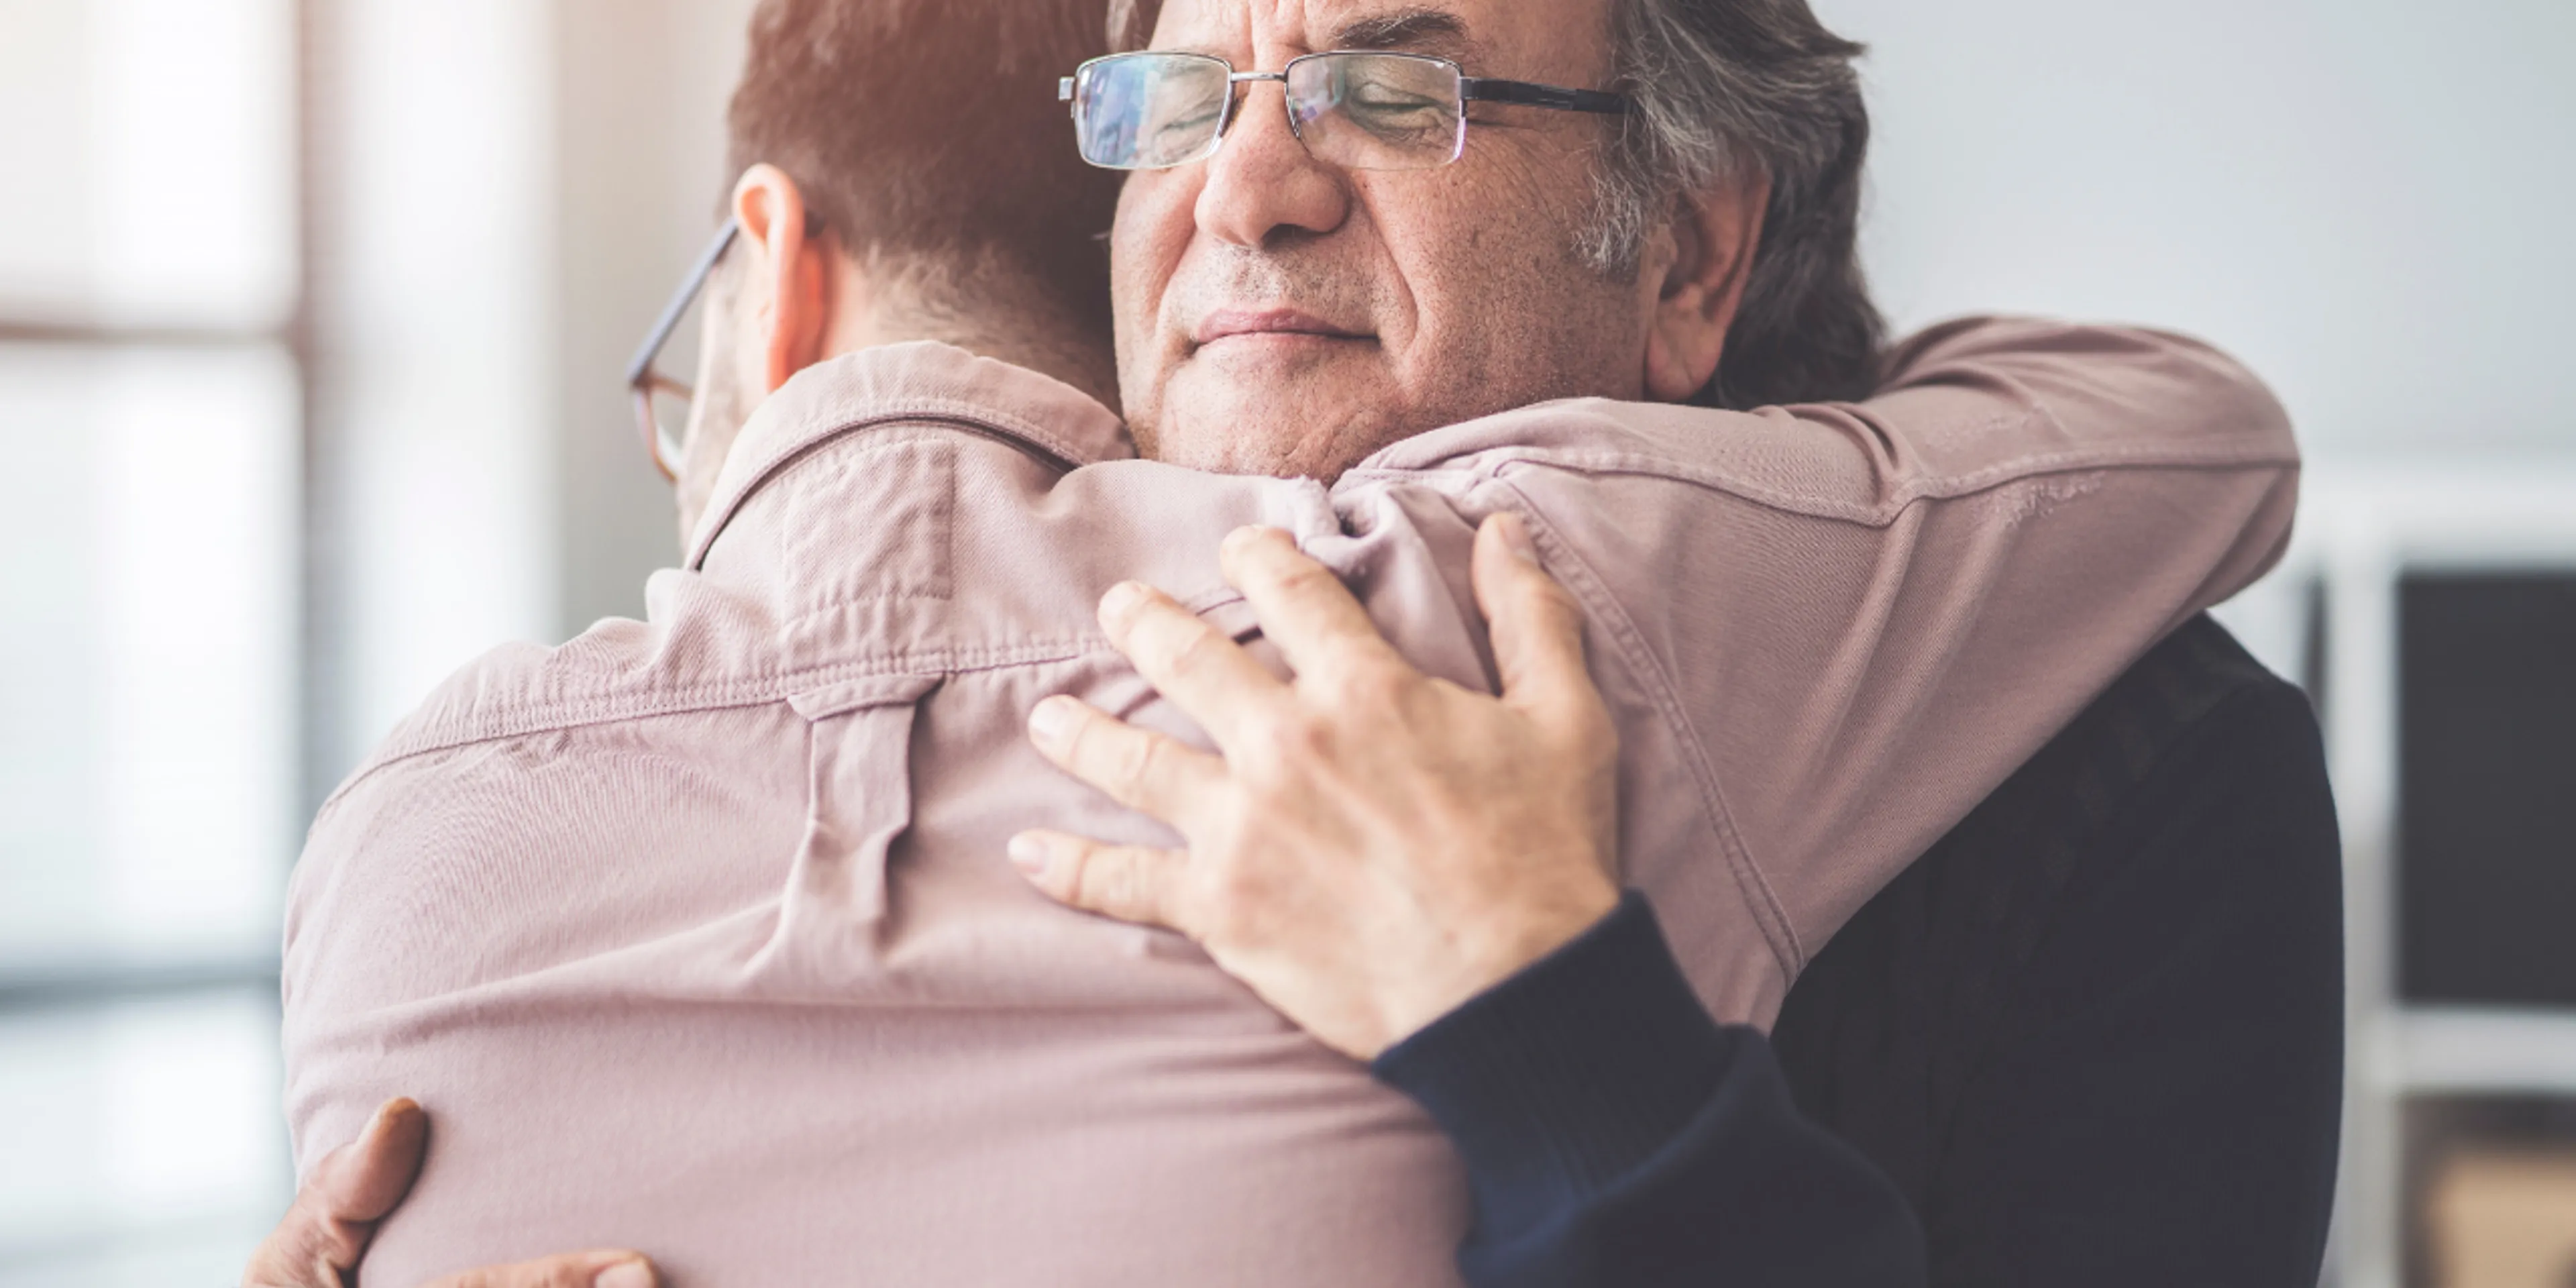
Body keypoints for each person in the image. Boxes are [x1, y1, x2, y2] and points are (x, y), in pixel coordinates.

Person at [247, 0, 2337, 1283]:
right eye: (1175, 100)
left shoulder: (2127, 759)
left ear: (1689, 254)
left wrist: (1538, 1019)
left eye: (1385, 85)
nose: (1244, 190)